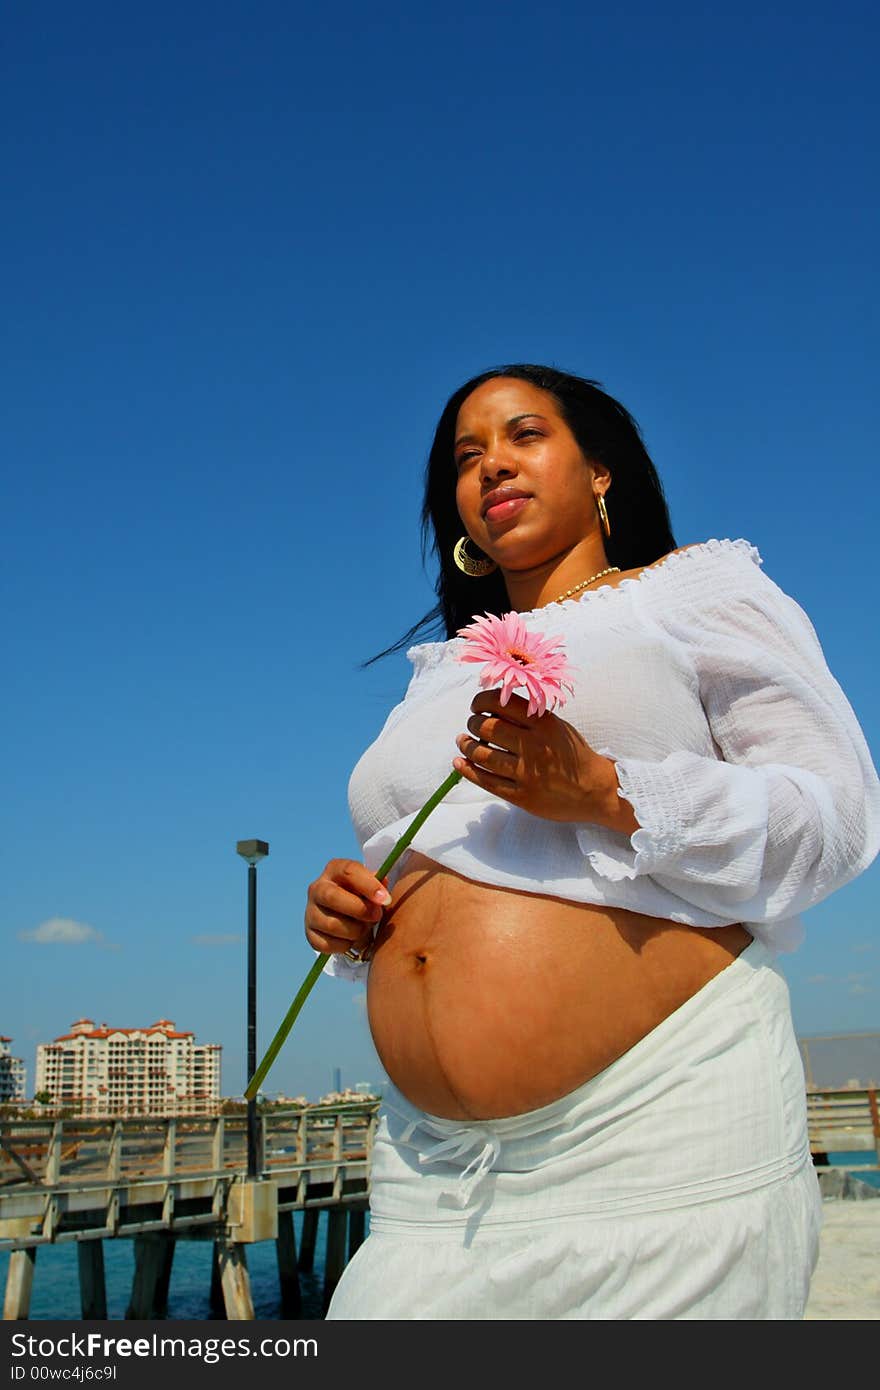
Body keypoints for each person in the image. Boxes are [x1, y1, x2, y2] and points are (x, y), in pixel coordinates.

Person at [305, 364, 880, 1320]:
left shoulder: (692, 591)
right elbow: (451, 860)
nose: (491, 466)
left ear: (601, 471)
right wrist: (356, 915)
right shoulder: (440, 669)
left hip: (653, 1130)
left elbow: (835, 816)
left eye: (525, 436)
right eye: (466, 456)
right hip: (433, 1178)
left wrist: (609, 791)